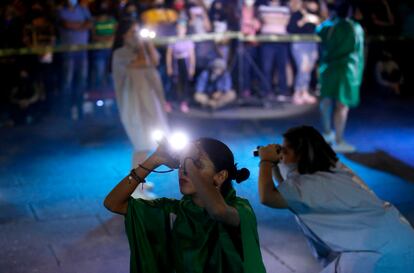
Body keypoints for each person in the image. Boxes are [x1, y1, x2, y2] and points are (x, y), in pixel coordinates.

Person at [257, 125, 414, 273]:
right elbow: (289, 191)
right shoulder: (335, 169)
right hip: (404, 240)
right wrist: (275, 166)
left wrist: (266, 161)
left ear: (300, 154)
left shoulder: (307, 186)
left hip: (375, 256)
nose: (282, 155)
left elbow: (268, 197)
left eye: (285, 150)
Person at [104, 137, 266, 273]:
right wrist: (153, 160)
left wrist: (188, 161)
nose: (184, 171)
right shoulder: (173, 211)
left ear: (220, 176)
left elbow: (218, 211)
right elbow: (113, 203)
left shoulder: (240, 208)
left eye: (198, 164)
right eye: (182, 165)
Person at [111, 19, 170, 198]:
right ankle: (134, 188)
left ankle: (137, 180)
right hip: (134, 104)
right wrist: (144, 44)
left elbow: (154, 60)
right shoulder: (121, 54)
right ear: (123, 35)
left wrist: (148, 43)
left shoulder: (142, 49)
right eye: (132, 32)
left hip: (149, 102)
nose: (136, 36)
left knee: (148, 144)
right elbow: (142, 62)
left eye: (138, 32)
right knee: (141, 144)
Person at [317, 2, 364, 153]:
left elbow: (319, 30)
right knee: (342, 105)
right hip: (346, 71)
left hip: (328, 68)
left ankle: (327, 133)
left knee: (325, 101)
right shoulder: (355, 28)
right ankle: (339, 141)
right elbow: (359, 52)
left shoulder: (327, 27)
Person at [57, 0, 92, 120]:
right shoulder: (60, 11)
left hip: (82, 51)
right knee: (67, 82)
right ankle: (66, 112)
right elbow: (65, 24)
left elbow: (90, 23)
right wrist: (81, 25)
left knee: (82, 81)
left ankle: (80, 110)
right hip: (68, 52)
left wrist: (74, 25)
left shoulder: (83, 9)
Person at [287, 0, 319, 105]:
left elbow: (317, 29)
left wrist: (317, 22)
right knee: (302, 68)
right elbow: (291, 29)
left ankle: (304, 91)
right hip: (299, 44)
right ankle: (297, 92)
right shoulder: (296, 14)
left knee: (308, 69)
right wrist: (303, 21)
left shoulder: (313, 15)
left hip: (312, 43)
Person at [166, 19, 196, 113]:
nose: (180, 30)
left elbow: (192, 56)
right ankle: (169, 103)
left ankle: (184, 103)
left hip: (185, 63)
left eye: (182, 28)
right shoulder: (173, 40)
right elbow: (169, 54)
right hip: (176, 63)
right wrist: (169, 67)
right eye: (179, 28)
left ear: (185, 29)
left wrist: (192, 67)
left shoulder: (188, 40)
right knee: (173, 84)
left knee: (185, 84)